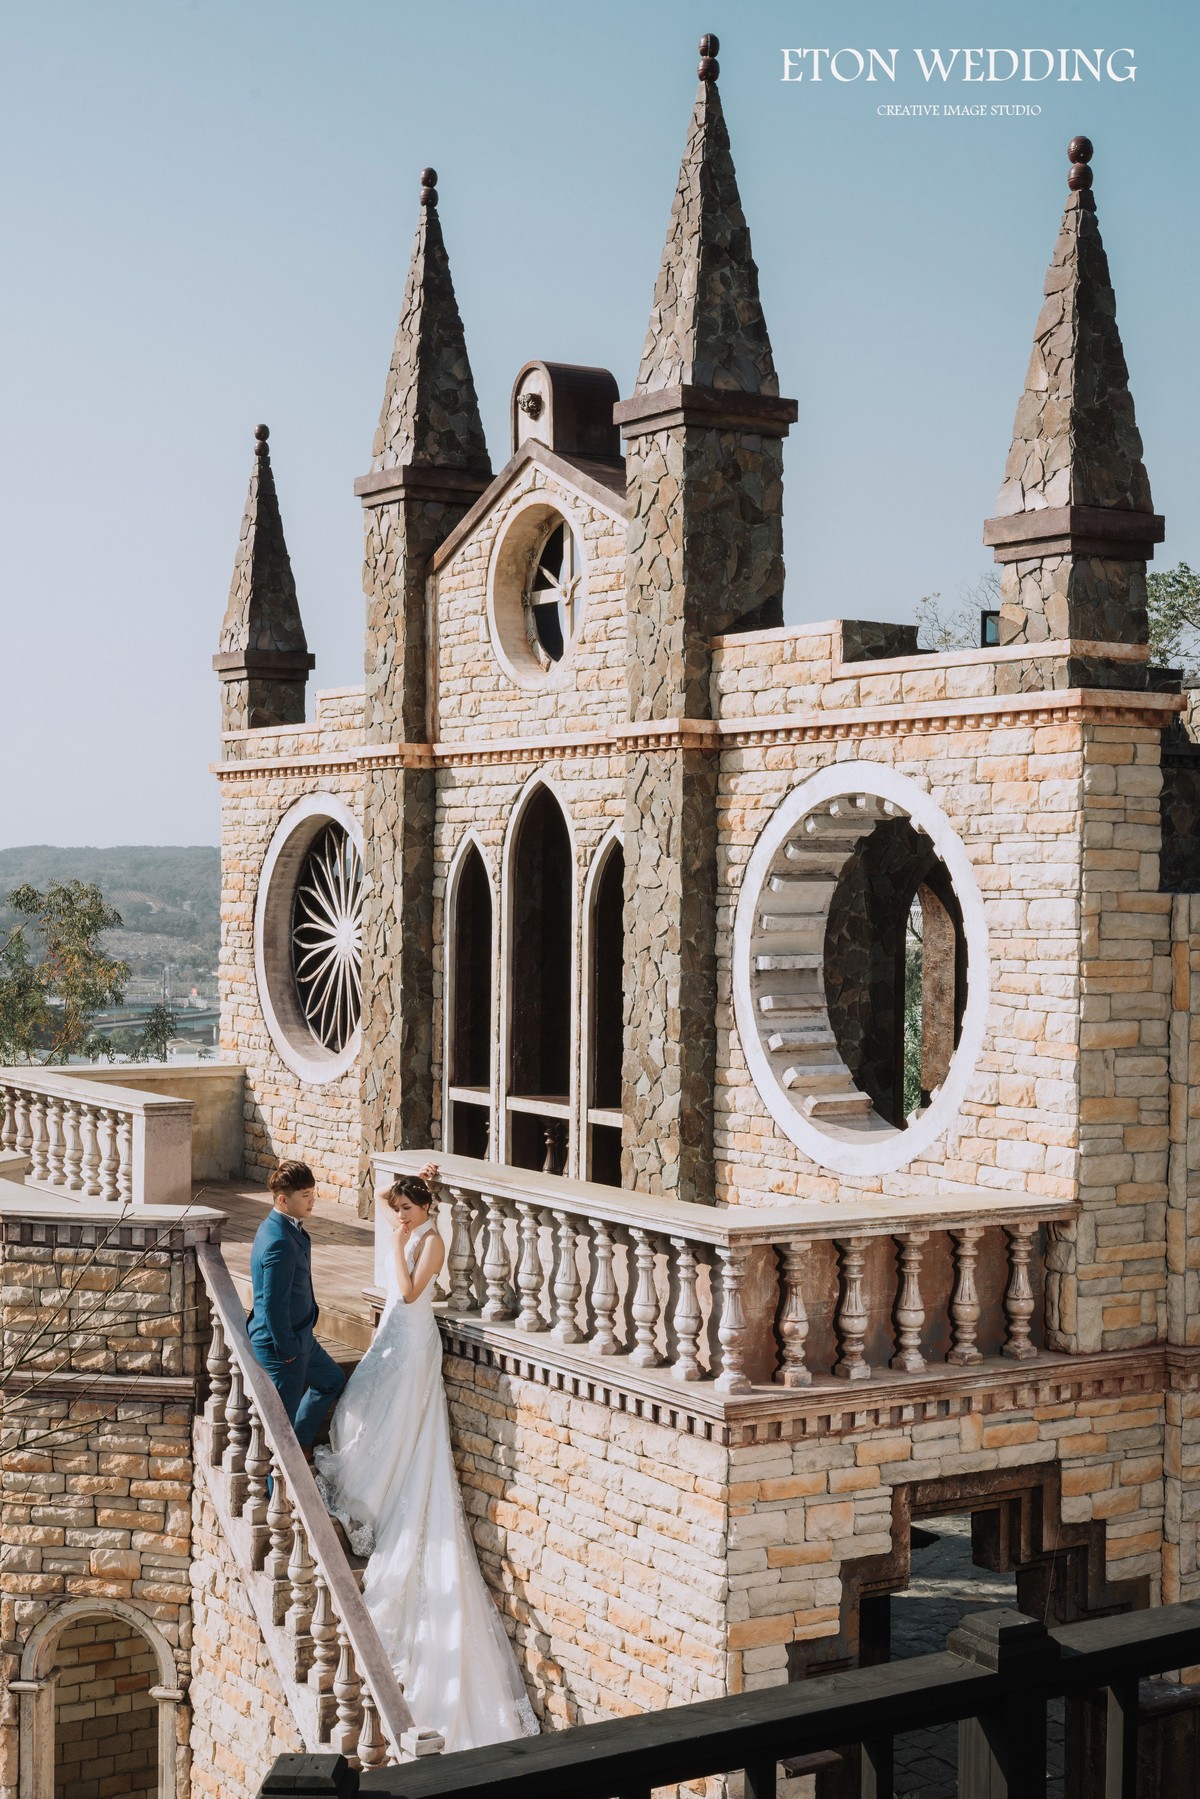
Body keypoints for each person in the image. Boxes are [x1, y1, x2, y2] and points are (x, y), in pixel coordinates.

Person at [314, 1166, 538, 1751]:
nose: (400, 1215)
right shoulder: (407, 1218)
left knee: (399, 1412)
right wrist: (410, 1184)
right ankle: (375, 1478)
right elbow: (383, 1195)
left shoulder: (430, 1240)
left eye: (408, 1208)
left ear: (423, 1209)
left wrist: (396, 1237)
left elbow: (412, 1291)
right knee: (367, 1401)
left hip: (413, 1335)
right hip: (395, 1330)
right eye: (400, 1209)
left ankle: (391, 1485)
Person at [247, 1160, 346, 1453]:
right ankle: (274, 1491)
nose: (312, 1200)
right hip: (283, 1348)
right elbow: (274, 1307)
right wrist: (288, 1352)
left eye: (312, 1193)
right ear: (283, 1199)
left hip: (302, 1337)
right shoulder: (279, 1241)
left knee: (331, 1380)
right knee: (280, 1428)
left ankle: (302, 1445)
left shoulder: (283, 1227)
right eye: (305, 1195)